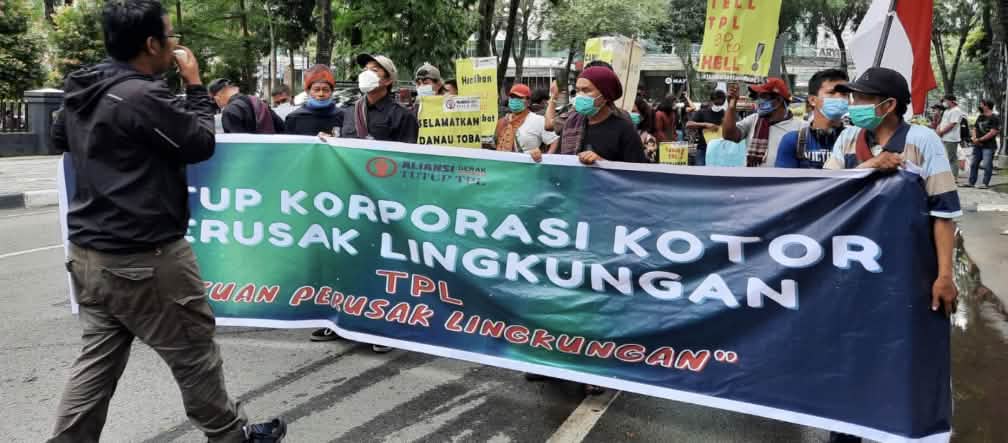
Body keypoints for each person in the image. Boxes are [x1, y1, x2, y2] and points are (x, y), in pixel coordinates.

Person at [47, 1, 287, 442]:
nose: (176, 45)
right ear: (152, 44)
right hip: (145, 258)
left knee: (95, 366)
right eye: (171, 37)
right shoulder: (141, 96)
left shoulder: (84, 88)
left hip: (89, 256)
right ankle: (232, 436)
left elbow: (59, 137)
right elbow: (198, 142)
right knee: (194, 355)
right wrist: (195, 85)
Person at [528, 66, 644, 395]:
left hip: (606, 225)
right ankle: (549, 361)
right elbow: (559, 159)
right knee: (560, 292)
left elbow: (640, 177)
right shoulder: (574, 123)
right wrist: (541, 158)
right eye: (577, 89)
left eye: (587, 90)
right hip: (569, 220)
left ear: (605, 95)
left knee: (595, 299)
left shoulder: (622, 128)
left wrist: (604, 164)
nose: (579, 96)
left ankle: (595, 368)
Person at [722, 77, 804, 167]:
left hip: (781, 180)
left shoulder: (800, 128)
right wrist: (731, 105)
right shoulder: (754, 120)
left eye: (763, 96)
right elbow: (729, 135)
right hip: (752, 178)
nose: (758, 101)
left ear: (779, 100)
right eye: (758, 96)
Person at [775, 69, 849, 169]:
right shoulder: (793, 141)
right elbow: (783, 183)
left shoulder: (855, 140)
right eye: (832, 93)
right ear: (812, 100)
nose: (840, 98)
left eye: (845, 94)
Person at [339, 53, 419, 144]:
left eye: (374, 70)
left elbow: (406, 155)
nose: (366, 74)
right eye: (365, 70)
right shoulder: (349, 111)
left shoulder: (403, 116)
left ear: (388, 80)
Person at [495, 83, 559, 160]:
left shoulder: (537, 120)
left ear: (528, 102)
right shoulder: (502, 121)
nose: (514, 100)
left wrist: (545, 160)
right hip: (503, 167)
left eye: (519, 97)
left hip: (527, 168)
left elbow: (554, 140)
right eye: (512, 97)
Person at [283, 64, 344, 136]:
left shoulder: (343, 116)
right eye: (316, 90)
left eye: (325, 90)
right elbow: (289, 145)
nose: (321, 94)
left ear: (332, 91)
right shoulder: (294, 118)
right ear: (307, 91)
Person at [208, 78, 284, 134]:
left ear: (217, 97)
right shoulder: (258, 101)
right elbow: (282, 127)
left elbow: (235, 144)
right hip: (270, 151)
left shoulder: (229, 111)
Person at [964, 99, 1001, 188]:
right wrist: (974, 138)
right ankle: (971, 182)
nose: (980, 106)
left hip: (989, 146)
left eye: (981, 104)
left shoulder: (994, 118)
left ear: (986, 106)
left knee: (987, 165)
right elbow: (975, 128)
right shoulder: (980, 116)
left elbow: (993, 132)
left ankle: (985, 183)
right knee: (974, 164)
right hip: (977, 145)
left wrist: (979, 139)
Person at [685, 89, 728, 166]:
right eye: (716, 103)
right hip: (703, 147)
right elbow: (688, 124)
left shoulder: (726, 114)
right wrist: (705, 124)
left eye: (720, 103)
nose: (718, 106)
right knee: (700, 171)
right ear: (711, 101)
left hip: (720, 150)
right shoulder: (702, 112)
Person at [936, 94, 966, 180]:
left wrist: (941, 132)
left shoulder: (956, 111)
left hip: (951, 138)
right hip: (944, 137)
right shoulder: (947, 111)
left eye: (945, 101)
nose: (944, 103)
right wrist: (938, 129)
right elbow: (942, 122)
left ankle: (954, 176)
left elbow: (952, 124)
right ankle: (947, 175)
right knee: (946, 156)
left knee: (952, 158)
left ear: (951, 101)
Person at [633, 96, 658, 162]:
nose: (631, 114)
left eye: (634, 111)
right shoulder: (627, 131)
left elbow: (651, 159)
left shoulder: (649, 138)